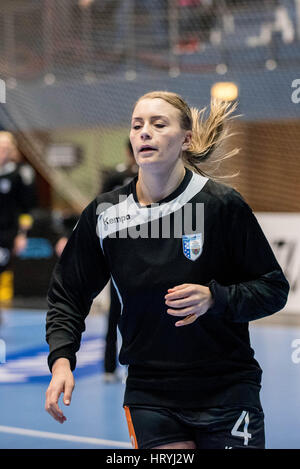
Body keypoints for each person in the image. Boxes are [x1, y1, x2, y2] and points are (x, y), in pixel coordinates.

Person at [45, 91, 289, 449]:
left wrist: (215, 298)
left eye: (159, 124)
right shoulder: (105, 215)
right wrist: (62, 360)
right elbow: (68, 293)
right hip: (151, 394)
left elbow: (273, 288)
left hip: (226, 391)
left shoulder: (221, 206)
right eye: (137, 125)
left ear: (186, 139)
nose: (145, 132)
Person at [100, 139, 138, 382]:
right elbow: (101, 207)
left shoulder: (156, 178)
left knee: (141, 313)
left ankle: (135, 365)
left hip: (144, 252)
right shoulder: (115, 176)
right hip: (120, 252)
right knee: (114, 311)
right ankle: (108, 367)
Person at [0, 131, 35, 319]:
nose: (2, 150)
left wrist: (22, 235)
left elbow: (27, 208)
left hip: (7, 233)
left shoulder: (19, 173)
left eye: (6, 147)